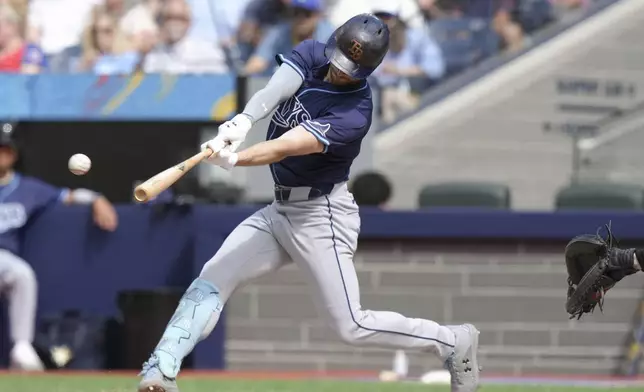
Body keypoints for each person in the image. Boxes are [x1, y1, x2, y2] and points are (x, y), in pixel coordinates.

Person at [137, 13, 480, 392]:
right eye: (338, 61)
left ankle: (452, 341)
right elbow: (277, 89)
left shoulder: (355, 112)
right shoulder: (315, 53)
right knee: (212, 279)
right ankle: (159, 370)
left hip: (322, 216)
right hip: (279, 210)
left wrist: (236, 158)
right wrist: (243, 120)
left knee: (350, 326)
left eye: (351, 69)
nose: (339, 72)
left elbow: (286, 146)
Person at [0, 128, 118, 371]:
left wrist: (96, 198)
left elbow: (67, 195)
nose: (2, 154)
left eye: (6, 149)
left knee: (22, 274)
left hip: (3, 258)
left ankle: (21, 347)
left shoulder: (27, 188)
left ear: (14, 154)